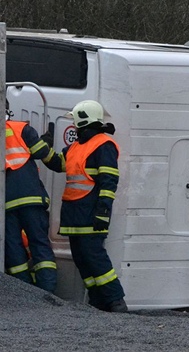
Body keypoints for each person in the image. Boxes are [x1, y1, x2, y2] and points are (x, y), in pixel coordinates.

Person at [42, 100, 127, 312]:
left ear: (83, 120)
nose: (74, 127)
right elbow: (59, 163)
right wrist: (43, 148)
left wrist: (103, 212)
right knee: (82, 260)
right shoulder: (76, 146)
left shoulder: (103, 145)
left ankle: (116, 301)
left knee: (95, 259)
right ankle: (98, 302)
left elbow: (109, 181)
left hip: (90, 215)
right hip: (74, 215)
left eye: (75, 122)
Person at [4, 101, 57, 293]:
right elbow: (43, 153)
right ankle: (47, 292)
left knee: (13, 249)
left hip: (6, 205)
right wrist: (47, 142)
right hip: (31, 198)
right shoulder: (21, 129)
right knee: (39, 244)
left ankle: (24, 293)